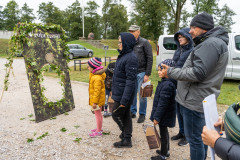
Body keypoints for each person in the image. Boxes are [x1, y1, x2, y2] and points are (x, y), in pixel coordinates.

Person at [161, 12, 229, 160]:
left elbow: (198, 73)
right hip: (197, 98)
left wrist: (170, 72)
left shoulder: (211, 44)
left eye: (193, 27)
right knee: (202, 137)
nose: (190, 31)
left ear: (203, 28)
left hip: (194, 100)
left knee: (195, 140)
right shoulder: (212, 42)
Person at [111, 32, 138, 148]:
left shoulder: (131, 58)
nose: (119, 44)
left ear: (126, 43)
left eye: (121, 42)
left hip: (124, 95)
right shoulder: (123, 55)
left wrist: (124, 99)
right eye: (118, 42)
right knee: (125, 115)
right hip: (119, 92)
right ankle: (126, 138)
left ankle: (126, 135)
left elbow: (130, 81)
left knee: (115, 114)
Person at [150, 59, 177, 160]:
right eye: (158, 70)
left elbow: (162, 104)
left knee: (163, 134)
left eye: (161, 70)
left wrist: (157, 117)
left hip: (164, 115)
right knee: (164, 132)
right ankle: (166, 150)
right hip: (164, 114)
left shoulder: (168, 85)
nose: (159, 72)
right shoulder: (166, 83)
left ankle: (163, 154)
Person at [171, 28, 193, 146]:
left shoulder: (191, 51)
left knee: (185, 111)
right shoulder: (178, 50)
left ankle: (187, 137)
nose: (179, 39)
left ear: (188, 38)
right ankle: (181, 132)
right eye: (178, 37)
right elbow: (175, 64)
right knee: (178, 110)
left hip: (185, 85)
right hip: (176, 83)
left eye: (181, 37)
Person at [128, 25, 153, 123]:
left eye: (133, 31)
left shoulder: (144, 42)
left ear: (138, 32)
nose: (131, 33)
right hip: (131, 72)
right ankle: (133, 111)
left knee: (142, 94)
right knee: (132, 93)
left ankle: (142, 114)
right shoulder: (130, 43)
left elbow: (150, 58)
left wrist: (147, 74)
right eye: (130, 31)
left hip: (142, 72)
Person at [87, 57, 106, 137]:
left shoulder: (97, 78)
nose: (87, 68)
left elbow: (97, 92)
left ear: (93, 67)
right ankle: (99, 128)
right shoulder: (94, 75)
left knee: (97, 115)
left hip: (97, 101)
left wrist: (94, 102)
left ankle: (98, 131)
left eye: (88, 66)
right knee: (99, 115)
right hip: (98, 100)